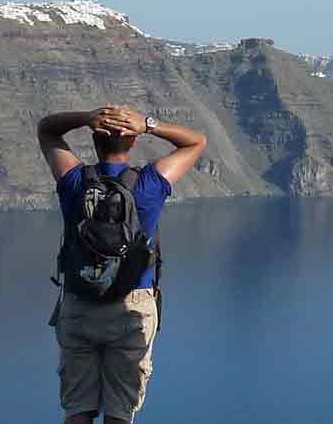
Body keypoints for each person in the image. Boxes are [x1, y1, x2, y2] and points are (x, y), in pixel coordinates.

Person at [38, 105, 207, 424]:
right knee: (119, 414)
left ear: (95, 141)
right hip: (132, 307)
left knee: (77, 410)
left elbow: (47, 128)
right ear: (132, 142)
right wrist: (148, 124)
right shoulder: (149, 184)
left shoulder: (75, 180)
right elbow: (196, 142)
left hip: (79, 302)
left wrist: (86, 117)